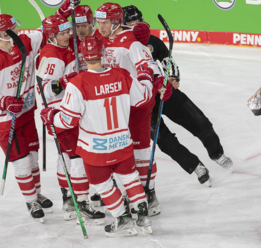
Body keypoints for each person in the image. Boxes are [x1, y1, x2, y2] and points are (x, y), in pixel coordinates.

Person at [40, 36, 161, 236]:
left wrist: (52, 116)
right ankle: (142, 215)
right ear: (103, 53)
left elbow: (69, 121)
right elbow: (143, 98)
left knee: (103, 185)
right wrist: (146, 77)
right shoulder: (121, 75)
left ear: (84, 58)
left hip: (95, 147)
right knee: (130, 179)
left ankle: (122, 218)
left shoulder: (77, 83)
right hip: (122, 142)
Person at [122, 5, 233, 187]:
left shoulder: (151, 41)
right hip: (141, 103)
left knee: (200, 121)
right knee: (165, 141)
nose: (136, 27)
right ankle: (196, 167)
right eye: (130, 24)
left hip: (164, 92)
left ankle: (217, 153)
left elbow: (167, 61)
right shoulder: (120, 48)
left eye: (138, 22)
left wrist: (171, 78)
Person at [94, 2, 173, 216]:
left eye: (104, 22)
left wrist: (159, 84)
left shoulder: (132, 43)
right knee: (115, 152)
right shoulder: (99, 37)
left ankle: (149, 191)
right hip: (111, 107)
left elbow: (149, 67)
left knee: (141, 152)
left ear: (116, 22)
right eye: (98, 22)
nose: (99, 26)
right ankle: (125, 190)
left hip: (135, 106)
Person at [38, 14, 104, 224]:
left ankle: (68, 198)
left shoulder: (65, 48)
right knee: (75, 157)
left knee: (66, 158)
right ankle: (81, 201)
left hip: (72, 111)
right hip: (60, 114)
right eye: (63, 33)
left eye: (69, 31)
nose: (68, 35)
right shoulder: (51, 55)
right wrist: (64, 81)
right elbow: (45, 91)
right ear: (51, 36)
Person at [0, 14, 52, 223]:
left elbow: (44, 31)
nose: (18, 30)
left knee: (33, 158)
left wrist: (64, 11)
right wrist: (3, 102)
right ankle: (31, 201)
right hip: (6, 120)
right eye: (13, 28)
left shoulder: (24, 43)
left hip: (26, 113)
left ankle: (36, 194)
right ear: (2, 34)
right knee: (23, 162)